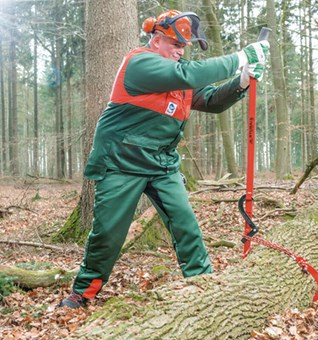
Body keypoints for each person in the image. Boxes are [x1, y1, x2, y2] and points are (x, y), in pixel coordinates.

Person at [59, 10, 269, 309]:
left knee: (186, 227)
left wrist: (242, 81)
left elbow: (210, 100)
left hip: (162, 164)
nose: (179, 52)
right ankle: (82, 292)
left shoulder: (179, 72)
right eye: (174, 44)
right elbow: (189, 75)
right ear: (156, 41)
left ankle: (203, 285)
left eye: (183, 47)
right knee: (108, 233)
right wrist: (241, 56)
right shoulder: (139, 62)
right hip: (121, 162)